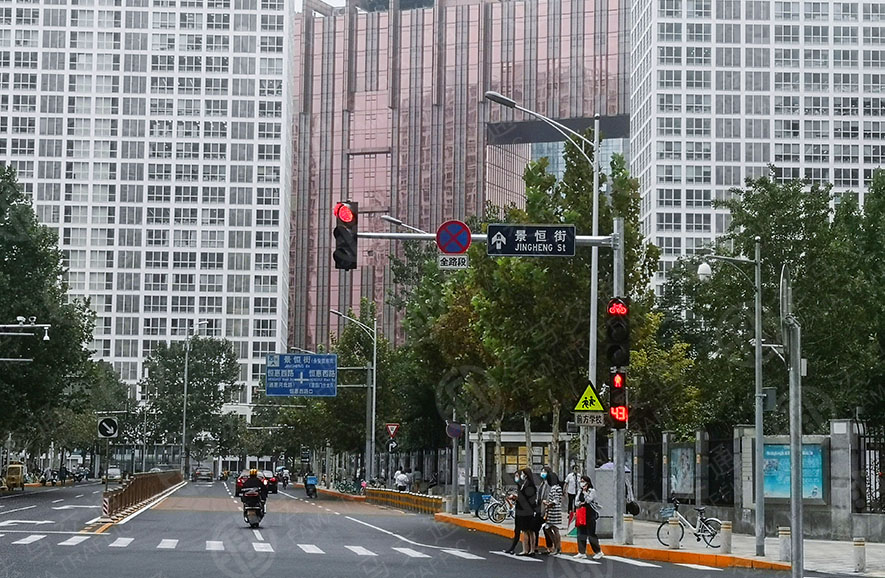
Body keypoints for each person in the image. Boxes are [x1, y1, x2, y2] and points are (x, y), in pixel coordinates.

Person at [503, 468, 538, 556]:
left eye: (522, 474)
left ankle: (526, 550)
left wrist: (516, 498)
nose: (522, 476)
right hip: (525, 510)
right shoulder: (524, 484)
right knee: (530, 531)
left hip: (526, 510)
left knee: (526, 530)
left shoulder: (528, 485)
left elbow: (526, 498)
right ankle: (531, 550)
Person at [573, 475, 603, 560]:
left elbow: (589, 500)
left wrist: (585, 492)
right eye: (581, 481)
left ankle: (598, 551)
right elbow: (576, 502)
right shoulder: (579, 491)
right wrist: (580, 503)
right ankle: (581, 552)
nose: (582, 483)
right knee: (581, 533)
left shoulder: (592, 491)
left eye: (583, 481)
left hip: (590, 514)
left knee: (591, 534)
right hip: (581, 513)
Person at [540, 467, 563, 555]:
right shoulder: (555, 487)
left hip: (554, 511)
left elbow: (556, 500)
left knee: (554, 529)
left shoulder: (556, 488)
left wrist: (548, 503)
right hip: (551, 511)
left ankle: (557, 547)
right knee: (548, 528)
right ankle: (556, 546)